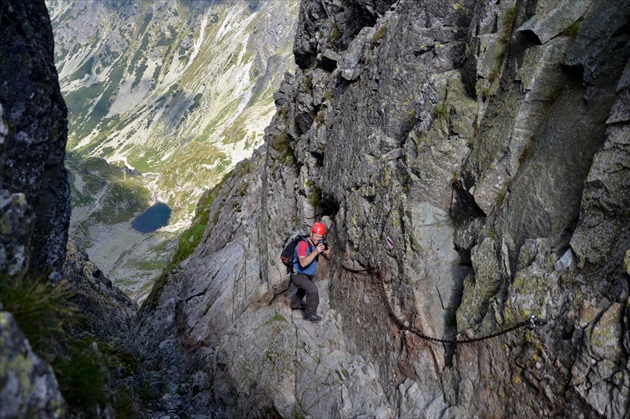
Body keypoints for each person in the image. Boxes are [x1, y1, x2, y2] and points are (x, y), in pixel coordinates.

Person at [290, 221, 332, 323]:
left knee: (303, 289)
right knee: (313, 290)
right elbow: (303, 263)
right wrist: (315, 252)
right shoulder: (302, 245)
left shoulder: (318, 244)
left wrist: (327, 254)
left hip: (307, 275)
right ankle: (311, 314)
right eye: (316, 236)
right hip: (297, 274)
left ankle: (294, 305)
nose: (318, 239)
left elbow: (329, 258)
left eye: (320, 237)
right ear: (311, 233)